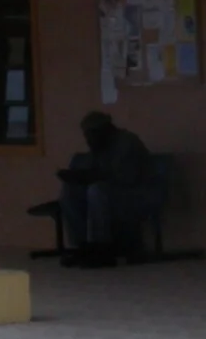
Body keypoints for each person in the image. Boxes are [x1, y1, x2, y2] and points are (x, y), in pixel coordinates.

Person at [56, 110, 153, 265]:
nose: (88, 139)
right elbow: (94, 171)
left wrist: (89, 176)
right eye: (86, 135)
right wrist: (76, 177)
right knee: (70, 192)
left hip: (137, 193)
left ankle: (101, 247)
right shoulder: (99, 145)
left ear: (106, 129)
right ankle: (82, 246)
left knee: (97, 190)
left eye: (92, 133)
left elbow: (125, 177)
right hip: (113, 192)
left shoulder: (127, 142)